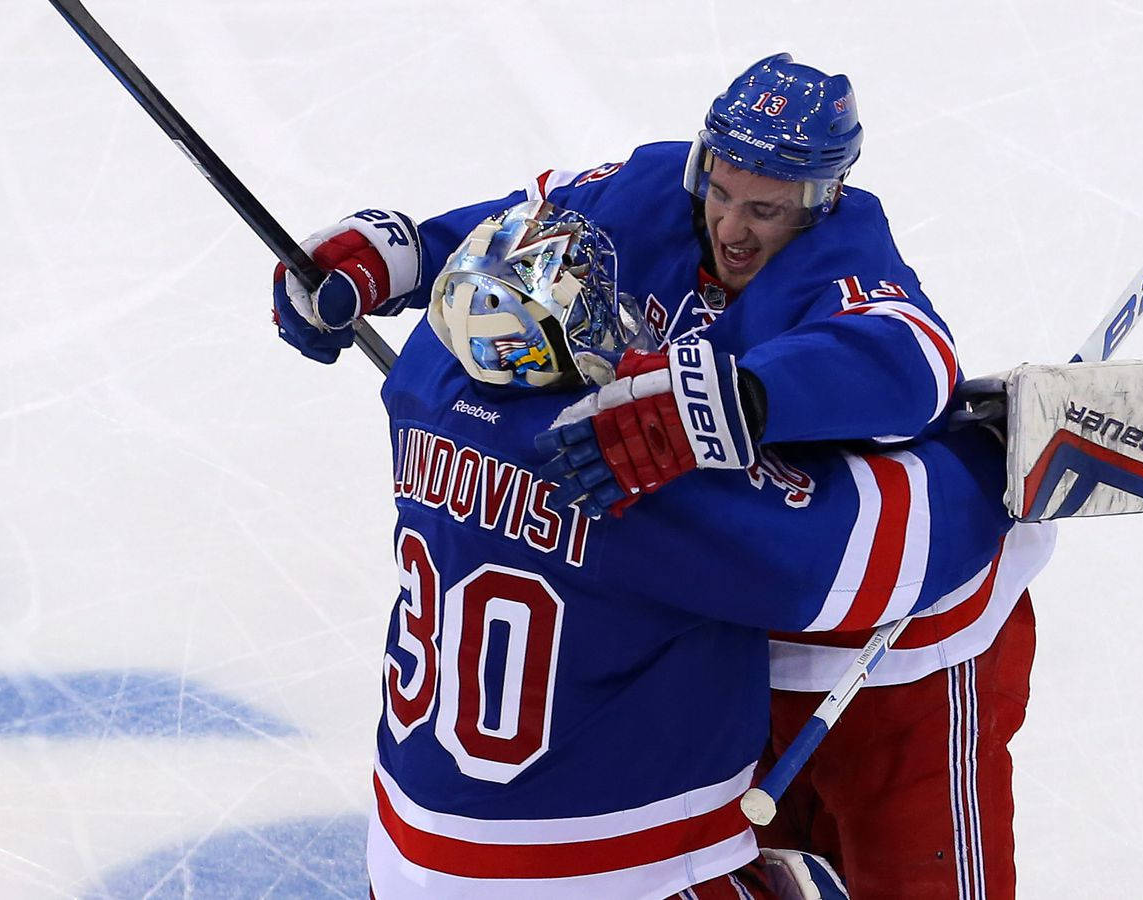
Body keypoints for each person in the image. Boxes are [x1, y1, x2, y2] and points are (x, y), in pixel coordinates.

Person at [273, 54, 1054, 898]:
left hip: (893, 647)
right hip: (772, 584)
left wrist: (743, 399)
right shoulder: (643, 210)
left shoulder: (428, 389)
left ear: (822, 197)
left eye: (766, 209)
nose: (732, 228)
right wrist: (418, 248)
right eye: (721, 194)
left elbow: (910, 357)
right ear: (701, 163)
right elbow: (522, 230)